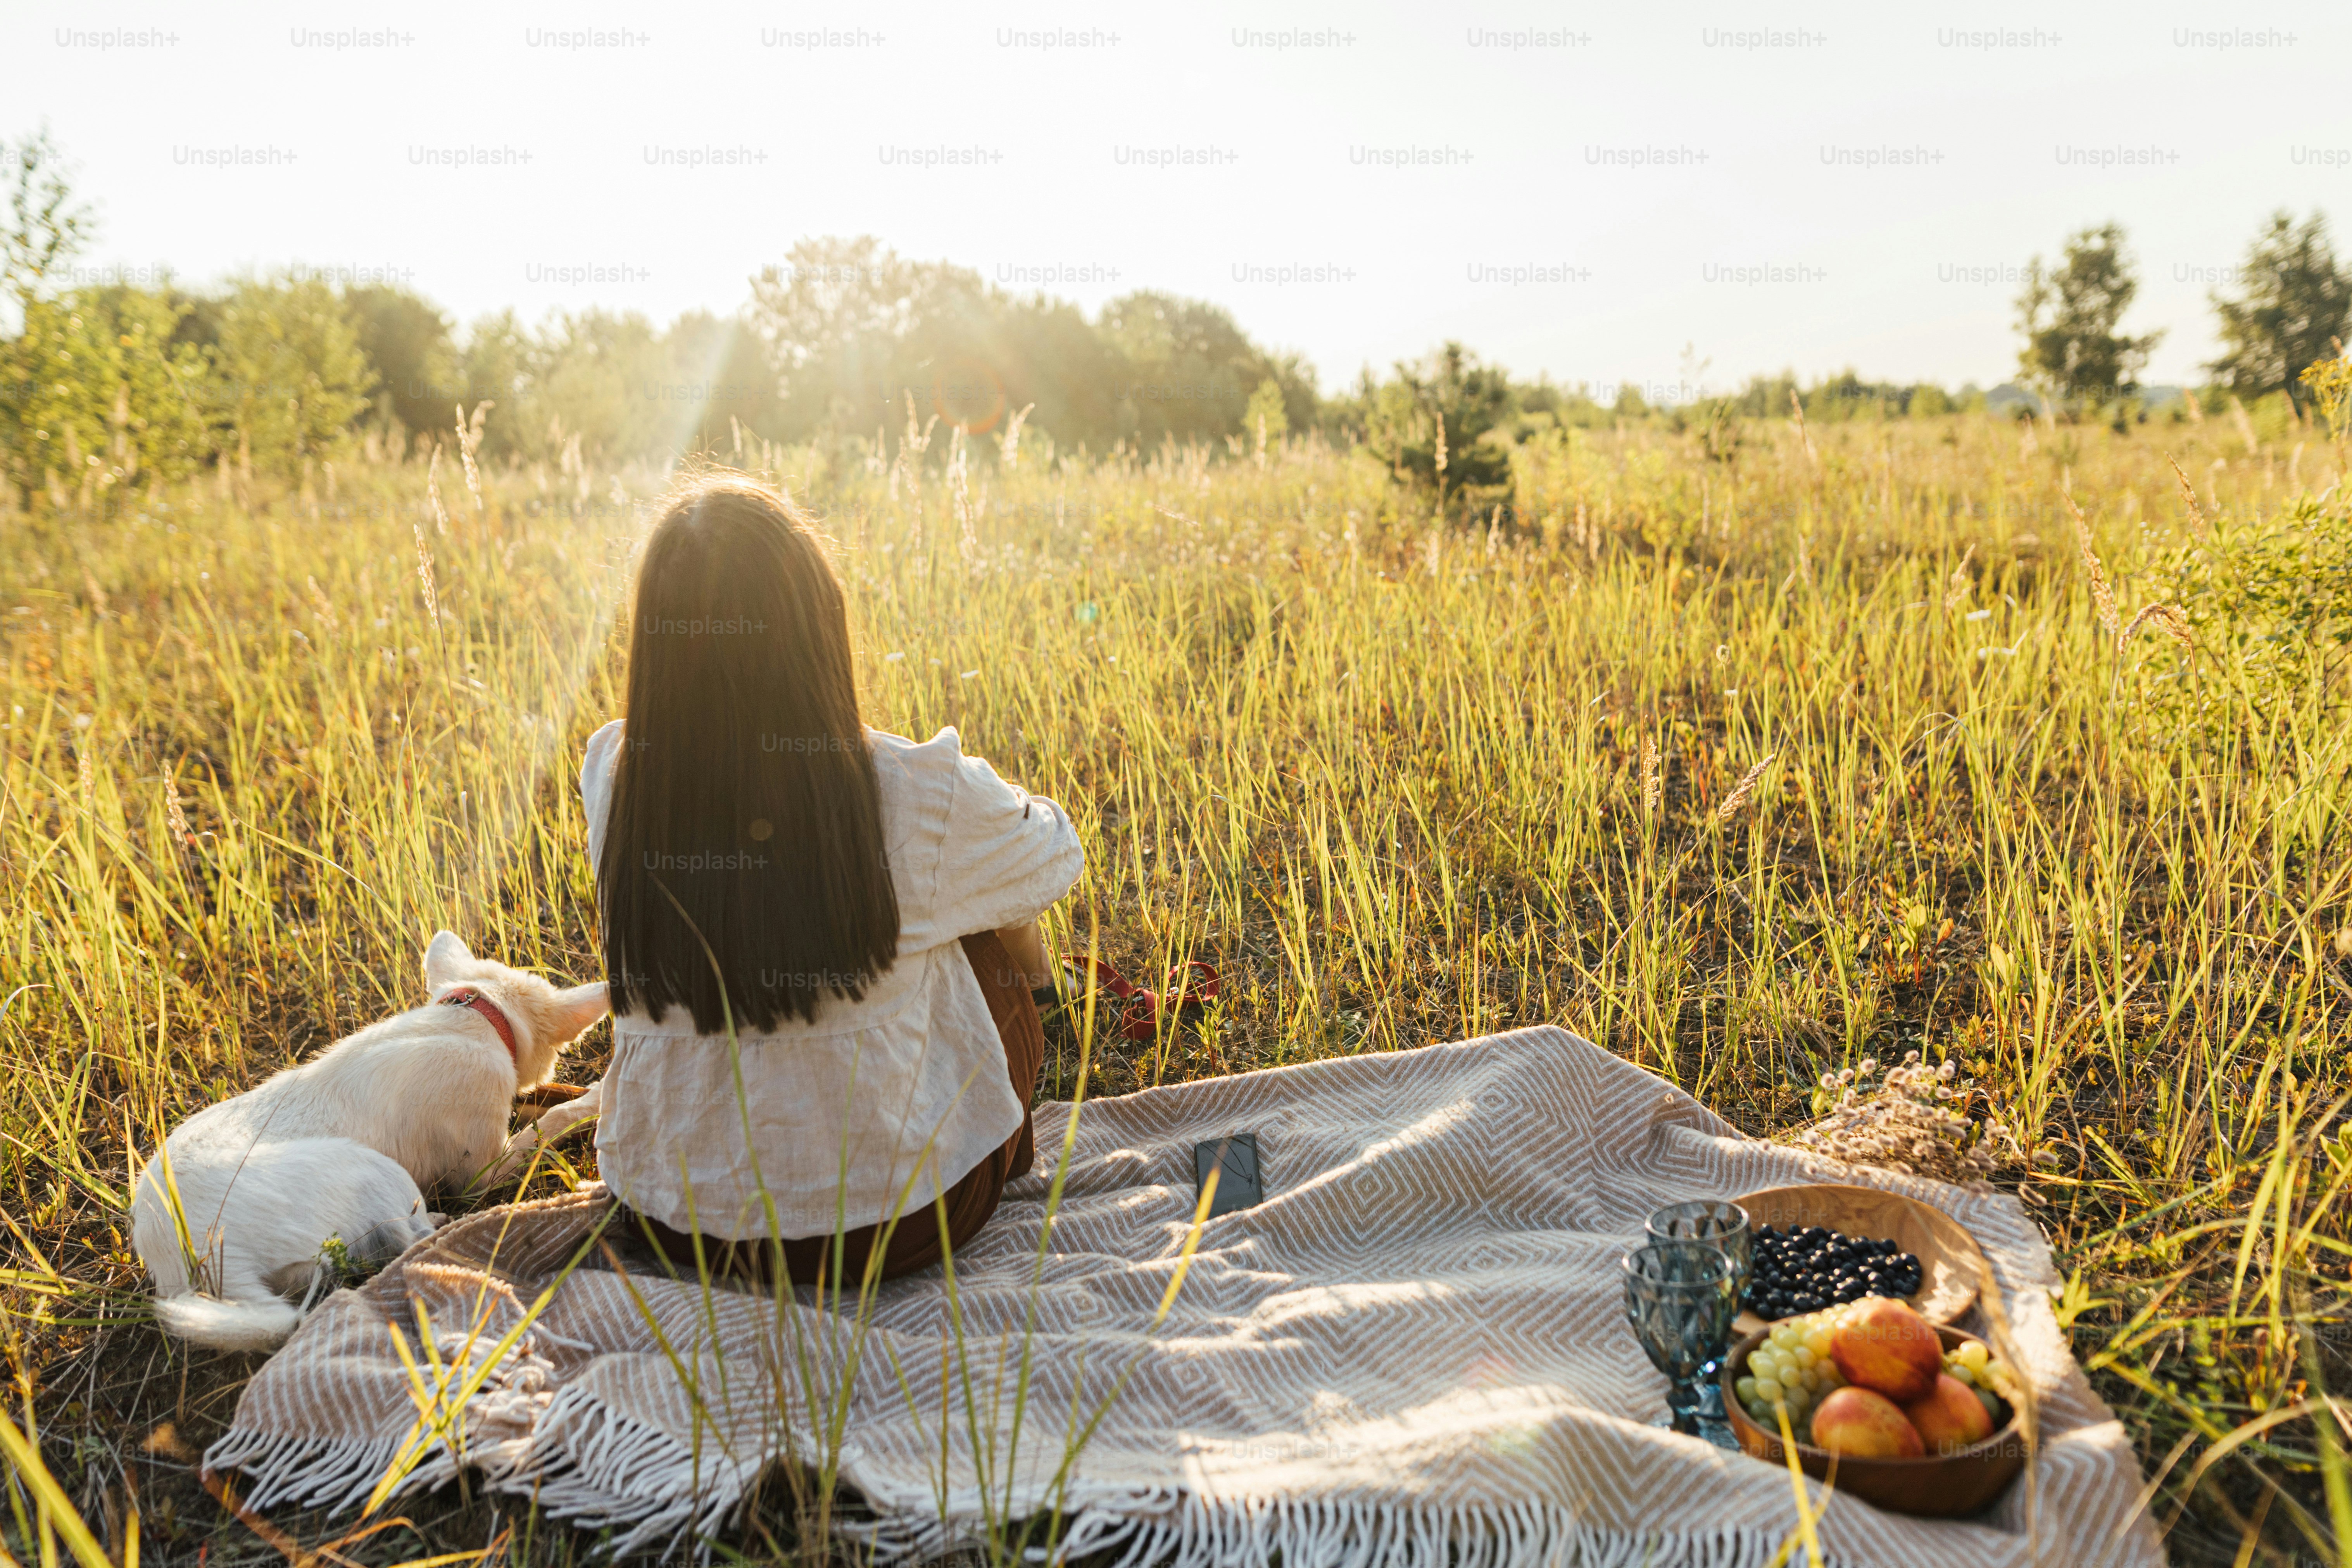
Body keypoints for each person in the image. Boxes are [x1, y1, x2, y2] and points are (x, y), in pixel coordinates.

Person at [520, 473, 1081, 1286]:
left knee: (951, 890)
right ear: (818, 624)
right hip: (897, 1225)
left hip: (673, 1222)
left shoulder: (613, 773)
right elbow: (1052, 853)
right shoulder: (916, 791)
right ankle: (1045, 1011)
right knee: (981, 918)